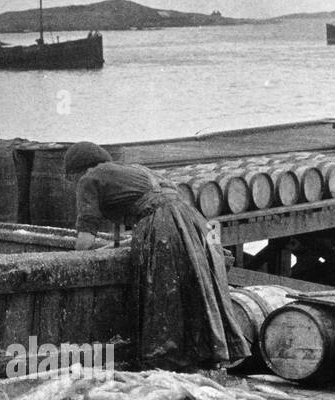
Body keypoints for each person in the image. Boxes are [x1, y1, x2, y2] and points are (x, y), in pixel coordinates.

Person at [63, 141, 251, 370]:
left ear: (78, 170)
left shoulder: (89, 178)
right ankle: (206, 354)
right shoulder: (134, 170)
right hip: (192, 221)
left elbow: (86, 234)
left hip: (163, 225)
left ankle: (168, 361)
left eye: (69, 178)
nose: (72, 184)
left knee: (164, 294)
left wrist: (70, 261)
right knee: (194, 288)